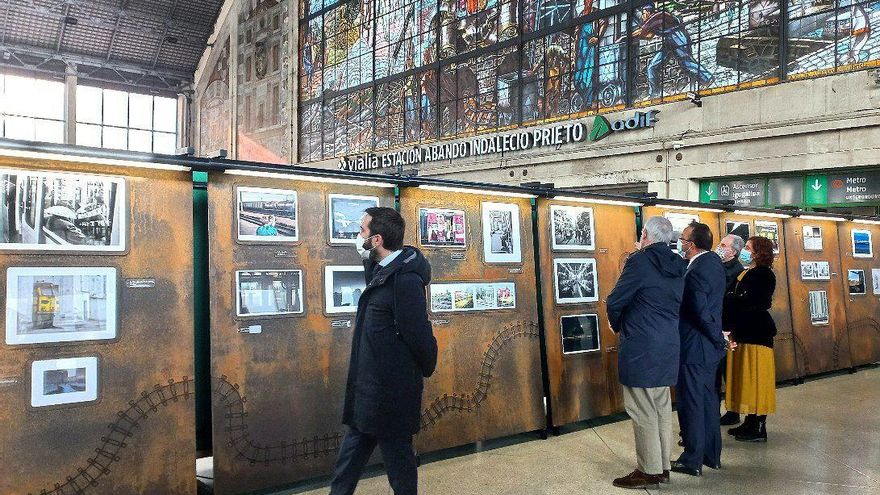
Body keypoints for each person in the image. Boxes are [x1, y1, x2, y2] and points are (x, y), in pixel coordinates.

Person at [329, 207, 438, 495]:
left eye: (362, 231)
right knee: (351, 459)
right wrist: (367, 256)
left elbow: (418, 332)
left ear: (376, 240)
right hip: (370, 386)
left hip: (390, 391)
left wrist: (427, 365)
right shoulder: (384, 269)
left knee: (399, 462)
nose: (357, 236)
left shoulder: (404, 280)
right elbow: (377, 275)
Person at [607, 217, 686, 489]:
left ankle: (649, 470)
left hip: (641, 345)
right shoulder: (679, 264)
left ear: (644, 234)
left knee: (642, 410)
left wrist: (617, 324)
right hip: (667, 345)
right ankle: (663, 466)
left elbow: (616, 300)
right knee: (661, 408)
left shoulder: (639, 261)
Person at [672, 222, 727, 477]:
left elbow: (699, 310)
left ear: (691, 244)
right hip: (707, 348)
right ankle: (711, 455)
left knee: (692, 403)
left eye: (683, 239)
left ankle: (691, 459)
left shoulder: (697, 270)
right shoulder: (712, 263)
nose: (681, 243)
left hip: (696, 347)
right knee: (707, 402)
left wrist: (716, 337)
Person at [724, 236, 777, 443]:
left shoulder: (763, 274)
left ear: (758, 252)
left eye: (748, 247)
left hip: (757, 333)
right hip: (744, 331)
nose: (744, 250)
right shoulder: (749, 271)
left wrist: (730, 299)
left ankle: (759, 425)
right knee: (746, 378)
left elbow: (752, 300)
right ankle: (749, 420)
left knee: (757, 378)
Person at [716, 234, 745, 426]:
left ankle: (733, 411)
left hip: (728, 328)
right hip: (719, 324)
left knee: (728, 371)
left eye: (723, 245)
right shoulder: (720, 266)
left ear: (733, 252)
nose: (719, 247)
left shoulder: (736, 270)